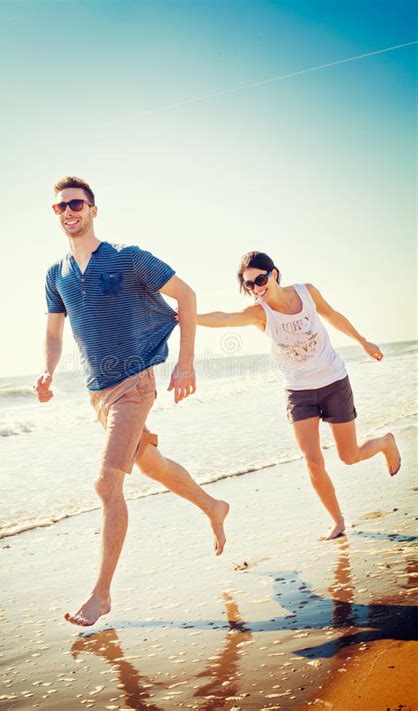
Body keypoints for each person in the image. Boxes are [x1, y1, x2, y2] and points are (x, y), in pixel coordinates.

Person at [34, 176, 229, 627]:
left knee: (107, 483)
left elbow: (187, 295)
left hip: (135, 383)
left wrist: (186, 364)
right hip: (97, 393)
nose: (69, 212)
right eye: (60, 207)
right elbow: (52, 332)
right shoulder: (55, 274)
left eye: (76, 203)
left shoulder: (128, 257)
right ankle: (214, 507)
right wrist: (46, 369)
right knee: (152, 464)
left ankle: (101, 595)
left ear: (93, 209)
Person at [195, 251, 401, 541]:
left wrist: (363, 342)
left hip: (334, 380)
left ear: (274, 274)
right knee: (313, 461)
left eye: (260, 279)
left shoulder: (307, 293)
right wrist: (188, 316)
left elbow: (334, 316)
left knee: (349, 456)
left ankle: (385, 443)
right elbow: (226, 318)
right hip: (299, 392)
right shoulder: (259, 312)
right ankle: (338, 521)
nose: (257, 288)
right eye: (250, 285)